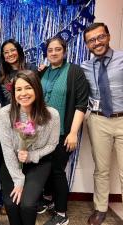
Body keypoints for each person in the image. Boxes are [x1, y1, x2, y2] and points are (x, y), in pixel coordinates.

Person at [0, 70, 60, 225]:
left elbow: (52, 144)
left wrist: (32, 156)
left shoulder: (52, 115)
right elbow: (6, 148)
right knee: (12, 204)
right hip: (12, 162)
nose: (23, 93)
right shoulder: (5, 113)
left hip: (38, 164)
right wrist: (18, 179)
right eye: (18, 89)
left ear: (37, 89)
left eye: (28, 87)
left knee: (27, 204)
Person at [39, 36, 89, 225]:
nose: (53, 53)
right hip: (42, 132)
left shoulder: (75, 72)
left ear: (64, 51)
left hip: (63, 132)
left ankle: (61, 214)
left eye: (57, 49)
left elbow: (81, 104)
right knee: (45, 169)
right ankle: (49, 200)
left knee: (58, 170)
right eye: (50, 50)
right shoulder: (43, 72)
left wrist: (73, 132)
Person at [81, 22, 123, 225]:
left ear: (108, 36)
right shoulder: (84, 66)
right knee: (101, 169)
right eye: (91, 40)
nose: (96, 43)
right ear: (87, 45)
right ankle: (100, 209)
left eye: (100, 37)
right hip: (98, 120)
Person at [0, 39, 37, 106]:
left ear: (19, 51)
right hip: (9, 112)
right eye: (6, 52)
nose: (10, 54)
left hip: (29, 109)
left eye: (13, 50)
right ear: (3, 56)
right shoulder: (0, 73)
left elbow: (37, 92)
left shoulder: (31, 69)